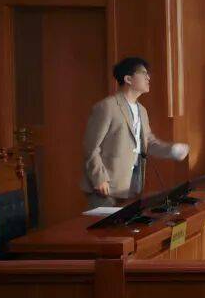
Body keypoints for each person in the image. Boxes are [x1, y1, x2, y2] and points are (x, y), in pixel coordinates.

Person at [80, 57, 189, 208]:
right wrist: (99, 178)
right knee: (108, 224)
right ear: (128, 79)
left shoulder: (142, 110)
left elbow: (148, 143)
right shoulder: (107, 107)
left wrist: (172, 150)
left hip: (132, 185)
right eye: (143, 73)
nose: (148, 77)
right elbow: (90, 147)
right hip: (105, 187)